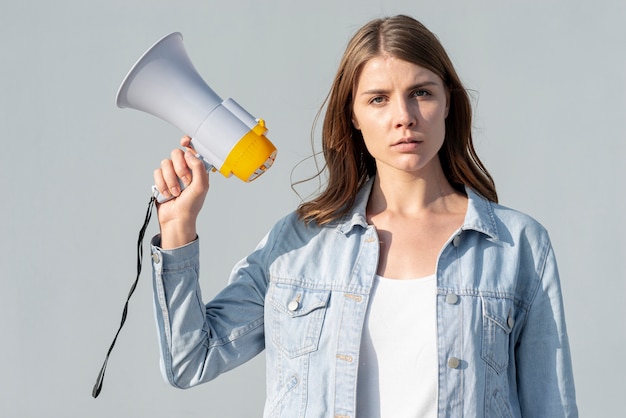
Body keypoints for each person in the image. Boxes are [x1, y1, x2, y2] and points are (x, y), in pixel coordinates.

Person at [150, 15, 578, 417]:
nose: (404, 118)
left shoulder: (517, 245)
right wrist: (176, 227)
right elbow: (192, 360)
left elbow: (551, 406)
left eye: (422, 93)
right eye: (378, 99)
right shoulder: (300, 244)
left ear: (448, 102)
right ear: (353, 115)